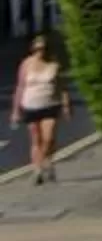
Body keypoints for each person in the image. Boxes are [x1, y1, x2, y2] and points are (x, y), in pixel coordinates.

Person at [15, 33, 67, 182]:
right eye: (37, 48)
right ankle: (37, 169)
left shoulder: (54, 64)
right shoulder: (26, 64)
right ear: (32, 49)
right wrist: (16, 110)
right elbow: (20, 87)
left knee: (49, 138)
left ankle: (47, 160)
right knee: (36, 139)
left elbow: (61, 86)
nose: (40, 51)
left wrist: (65, 103)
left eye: (43, 48)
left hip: (50, 104)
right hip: (30, 105)